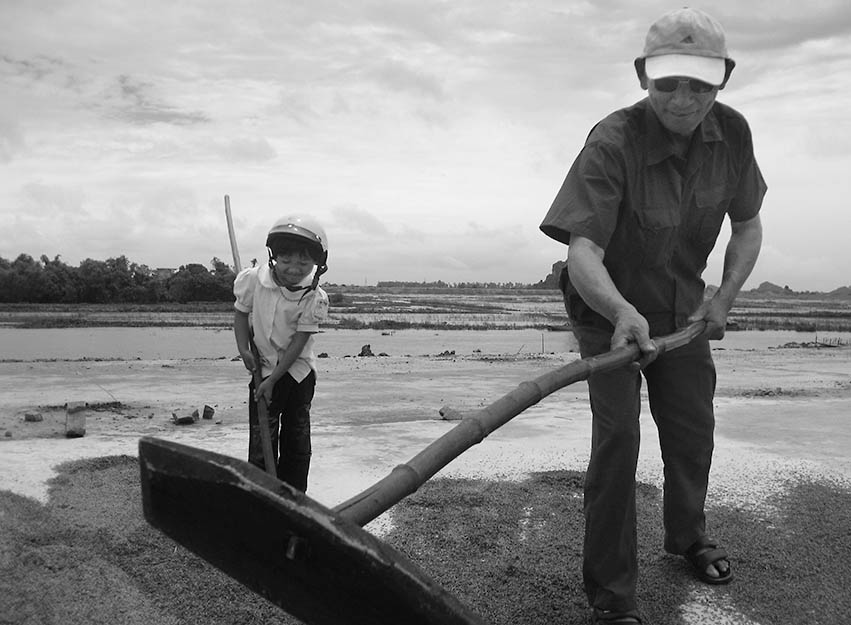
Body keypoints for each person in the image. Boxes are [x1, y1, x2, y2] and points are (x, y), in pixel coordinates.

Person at [540, 8, 766, 624]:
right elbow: (582, 250)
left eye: (700, 83)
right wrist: (619, 309)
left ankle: (687, 535)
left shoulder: (735, 135)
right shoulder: (612, 140)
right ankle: (613, 597)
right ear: (644, 76)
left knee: (692, 431)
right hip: (606, 315)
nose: (684, 97)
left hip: (684, 314)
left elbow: (746, 227)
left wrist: (724, 297)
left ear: (723, 80)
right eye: (669, 83)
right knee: (617, 444)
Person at [233, 215, 330, 492]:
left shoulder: (314, 296)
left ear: (316, 264)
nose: (294, 269)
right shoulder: (253, 281)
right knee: (261, 438)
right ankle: (262, 496)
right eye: (286, 260)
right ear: (274, 257)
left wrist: (274, 379)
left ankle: (294, 497)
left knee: (297, 440)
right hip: (261, 371)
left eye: (303, 263)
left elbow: (299, 342)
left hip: (297, 374)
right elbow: (240, 315)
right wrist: (243, 350)